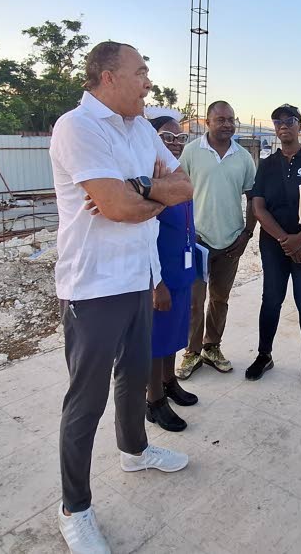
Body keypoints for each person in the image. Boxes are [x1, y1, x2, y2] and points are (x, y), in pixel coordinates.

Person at [50, 41, 195, 554]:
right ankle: (74, 508)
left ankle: (135, 451)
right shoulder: (78, 127)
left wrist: (137, 188)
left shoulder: (141, 128)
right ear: (108, 77)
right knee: (85, 402)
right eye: (141, 72)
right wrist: (142, 195)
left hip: (138, 276)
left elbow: (184, 186)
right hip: (94, 286)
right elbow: (118, 209)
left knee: (135, 378)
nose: (148, 83)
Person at [246, 104, 301, 390]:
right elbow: (258, 207)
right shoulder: (267, 165)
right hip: (274, 245)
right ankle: (264, 355)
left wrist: (300, 239)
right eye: (278, 122)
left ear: (300, 125)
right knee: (271, 299)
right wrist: (286, 241)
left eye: (289, 120)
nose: (283, 125)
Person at [175, 100, 257, 380]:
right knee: (194, 301)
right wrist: (185, 232)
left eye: (231, 119)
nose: (227, 124)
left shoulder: (243, 157)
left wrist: (247, 233)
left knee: (220, 299)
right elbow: (179, 193)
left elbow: (253, 198)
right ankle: (192, 351)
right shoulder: (191, 152)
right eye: (221, 119)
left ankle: (212, 347)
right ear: (207, 122)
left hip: (231, 242)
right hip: (197, 241)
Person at [145, 112, 200, 431]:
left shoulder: (177, 175)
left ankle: (169, 383)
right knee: (157, 340)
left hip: (182, 271)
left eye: (180, 138)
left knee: (174, 335)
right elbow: (145, 235)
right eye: (167, 137)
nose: (175, 143)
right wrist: (157, 284)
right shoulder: (151, 179)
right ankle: (153, 400)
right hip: (161, 276)